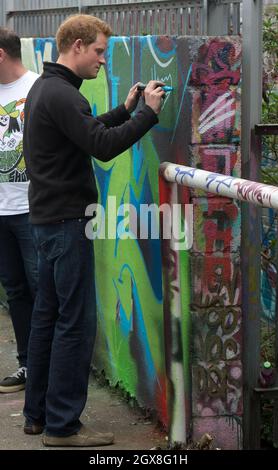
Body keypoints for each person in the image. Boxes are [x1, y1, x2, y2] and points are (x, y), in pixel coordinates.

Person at [23, 14, 165, 447]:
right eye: (100, 51)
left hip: (48, 222)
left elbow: (80, 134)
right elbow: (101, 148)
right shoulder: (64, 95)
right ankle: (62, 427)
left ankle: (37, 414)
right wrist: (148, 115)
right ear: (79, 45)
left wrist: (124, 110)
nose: (104, 60)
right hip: (67, 224)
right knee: (75, 324)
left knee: (48, 317)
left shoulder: (48, 89)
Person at [0, 28, 39, 394]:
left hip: (32, 209)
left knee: (41, 288)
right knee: (14, 290)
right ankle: (27, 366)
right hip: (0, 212)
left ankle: (46, 370)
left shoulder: (37, 88)